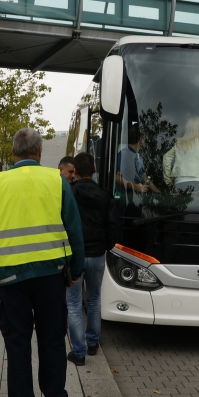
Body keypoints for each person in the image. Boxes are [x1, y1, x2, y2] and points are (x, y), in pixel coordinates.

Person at [0, 128, 84, 397]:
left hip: (10, 278)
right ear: (40, 152)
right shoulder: (56, 180)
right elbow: (74, 229)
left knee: (17, 342)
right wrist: (76, 269)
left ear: (14, 151)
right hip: (51, 275)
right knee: (52, 341)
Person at [66, 152, 121, 366]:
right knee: (95, 298)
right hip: (97, 254)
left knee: (73, 303)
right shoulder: (105, 195)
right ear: (95, 170)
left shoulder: (69, 193)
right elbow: (114, 227)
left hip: (74, 256)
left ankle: (78, 352)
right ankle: (93, 343)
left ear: (75, 171)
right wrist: (105, 246)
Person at [163, 116, 199, 190]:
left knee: (182, 201)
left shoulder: (179, 142)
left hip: (180, 182)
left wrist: (168, 180)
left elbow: (166, 158)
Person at [116, 125, 161, 200]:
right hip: (125, 200)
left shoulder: (138, 156)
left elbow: (145, 178)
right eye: (144, 137)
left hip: (137, 199)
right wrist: (135, 187)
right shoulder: (125, 154)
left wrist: (159, 194)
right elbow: (117, 178)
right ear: (141, 139)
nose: (146, 140)